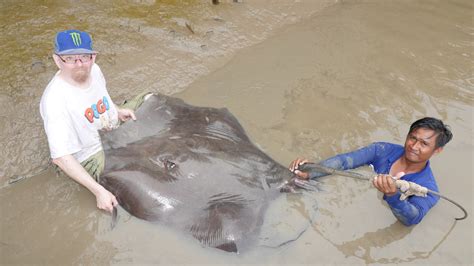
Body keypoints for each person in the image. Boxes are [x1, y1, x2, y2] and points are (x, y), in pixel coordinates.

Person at [40, 29, 143, 213]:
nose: (79, 64)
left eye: (84, 57)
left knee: (150, 98)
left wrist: (117, 111)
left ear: (93, 57)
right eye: (70, 59)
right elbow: (61, 158)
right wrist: (99, 191)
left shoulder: (95, 70)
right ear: (57, 60)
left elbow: (101, 96)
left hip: (110, 127)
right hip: (91, 154)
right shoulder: (55, 100)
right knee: (137, 166)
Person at [289, 117, 453, 226]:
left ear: (437, 150)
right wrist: (311, 172)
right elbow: (345, 161)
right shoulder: (381, 150)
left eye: (424, 144)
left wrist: (392, 196)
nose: (414, 146)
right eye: (412, 138)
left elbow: (412, 219)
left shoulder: (429, 190)